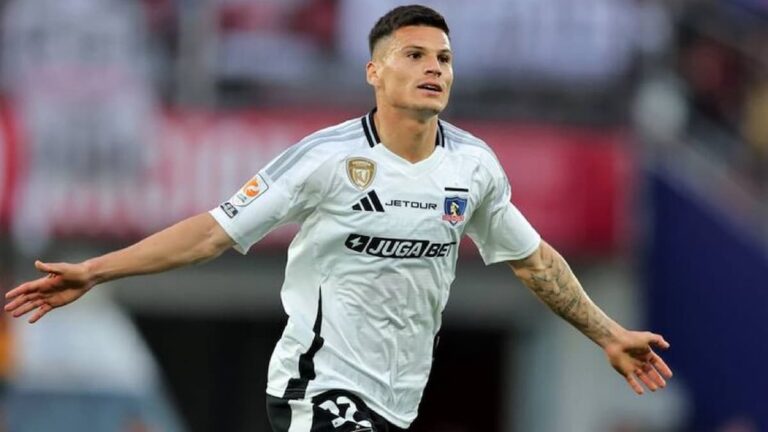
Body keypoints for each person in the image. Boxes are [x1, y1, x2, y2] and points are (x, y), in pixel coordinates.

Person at [4, 5, 673, 432]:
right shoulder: (324, 159)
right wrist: (94, 270)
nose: (433, 68)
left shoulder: (474, 168)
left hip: (397, 401)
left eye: (443, 58)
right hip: (317, 389)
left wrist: (608, 333)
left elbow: (535, 262)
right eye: (414, 56)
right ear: (375, 73)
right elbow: (212, 230)